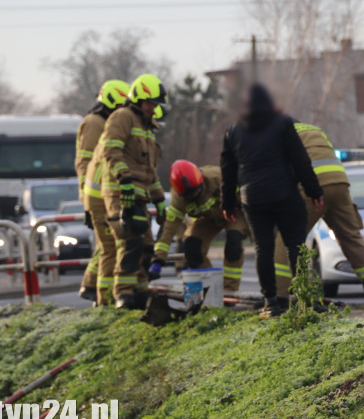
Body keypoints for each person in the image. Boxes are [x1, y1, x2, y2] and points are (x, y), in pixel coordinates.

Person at [220, 84, 323, 315]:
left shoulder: (233, 130)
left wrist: (227, 203)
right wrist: (314, 191)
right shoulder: (283, 123)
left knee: (262, 249)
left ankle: (271, 302)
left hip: (253, 199)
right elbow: (300, 159)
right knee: (295, 245)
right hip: (285, 193)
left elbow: (227, 170)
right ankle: (303, 299)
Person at [274, 121, 364, 304]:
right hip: (339, 182)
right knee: (351, 238)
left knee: (285, 239)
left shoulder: (278, 133)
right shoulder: (316, 129)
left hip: (312, 185)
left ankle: (280, 297)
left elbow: (281, 169)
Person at [101, 74, 168, 310]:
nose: (153, 108)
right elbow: (111, 151)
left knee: (147, 246)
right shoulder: (122, 117)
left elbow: (149, 171)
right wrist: (124, 179)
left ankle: (140, 290)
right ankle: (123, 293)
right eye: (150, 103)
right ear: (139, 99)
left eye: (156, 104)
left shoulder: (147, 128)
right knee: (132, 242)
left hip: (139, 194)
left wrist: (159, 199)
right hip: (120, 192)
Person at [149, 161, 250, 294]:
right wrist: (158, 259)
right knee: (192, 245)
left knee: (234, 241)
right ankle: (210, 288)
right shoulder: (178, 200)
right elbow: (168, 230)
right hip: (210, 218)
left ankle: (228, 290)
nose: (194, 195)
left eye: (197, 190)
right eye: (189, 194)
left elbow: (245, 197)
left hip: (234, 211)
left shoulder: (218, 177)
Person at [76, 79, 130, 304]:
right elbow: (86, 162)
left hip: (101, 193)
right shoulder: (94, 123)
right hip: (97, 195)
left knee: (105, 246)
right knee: (109, 246)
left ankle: (91, 286)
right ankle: (98, 292)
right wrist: (86, 197)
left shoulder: (104, 122)